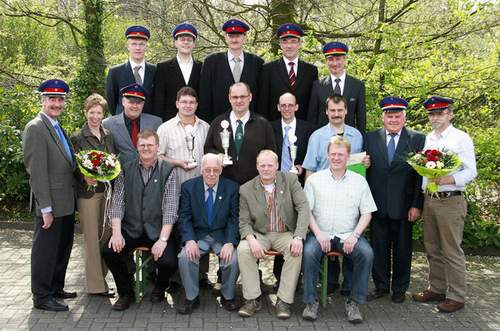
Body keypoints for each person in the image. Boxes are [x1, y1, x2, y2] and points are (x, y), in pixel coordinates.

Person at [102, 129, 179, 311]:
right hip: (131, 228)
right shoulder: (125, 169)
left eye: (150, 145)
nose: (146, 148)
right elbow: (118, 202)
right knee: (109, 252)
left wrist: (162, 240)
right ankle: (125, 292)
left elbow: (170, 209)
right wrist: (117, 232)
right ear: (137, 147)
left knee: (168, 262)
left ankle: (160, 287)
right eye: (142, 145)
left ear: (157, 147)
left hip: (158, 230)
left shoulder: (169, 171)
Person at [412, 96, 477, 313]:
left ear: (450, 114)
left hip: (451, 199)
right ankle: (437, 288)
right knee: (432, 248)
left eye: (440, 113)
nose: (435, 117)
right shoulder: (429, 138)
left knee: (451, 250)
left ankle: (456, 295)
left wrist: (447, 179)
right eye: (431, 114)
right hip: (430, 200)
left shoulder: (461, 138)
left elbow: (470, 171)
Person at [302, 136, 376, 323]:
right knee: (308, 252)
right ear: (327, 155)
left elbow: (367, 213)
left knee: (366, 254)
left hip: (349, 234)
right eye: (333, 154)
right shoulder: (314, 180)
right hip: (320, 233)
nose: (336, 158)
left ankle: (354, 302)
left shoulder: (359, 181)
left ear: (348, 156)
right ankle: (311, 302)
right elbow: (306, 212)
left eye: (340, 154)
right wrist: (318, 234)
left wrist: (355, 236)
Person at [364, 97, 425, 303]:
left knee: (403, 250)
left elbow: (421, 175)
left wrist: (417, 204)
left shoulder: (418, 139)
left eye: (397, 116)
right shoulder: (370, 138)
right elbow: (364, 170)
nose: (393, 119)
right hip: (377, 204)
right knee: (378, 248)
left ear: (404, 118)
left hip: (404, 205)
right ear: (383, 117)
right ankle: (380, 285)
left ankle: (400, 288)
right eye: (389, 116)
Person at [22, 79, 77, 311]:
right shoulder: (36, 128)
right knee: (45, 251)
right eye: (51, 99)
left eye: (60, 99)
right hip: (51, 204)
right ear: (42, 100)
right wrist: (45, 208)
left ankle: (55, 288)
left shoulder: (55, 125)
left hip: (65, 201)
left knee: (62, 248)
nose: (56, 103)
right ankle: (42, 296)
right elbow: (37, 172)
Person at [237, 150, 310, 319]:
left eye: (270, 165)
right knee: (243, 249)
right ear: (257, 167)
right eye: (262, 165)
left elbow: (303, 208)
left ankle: (283, 300)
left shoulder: (290, 180)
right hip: (260, 233)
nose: (266, 169)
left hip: (284, 232)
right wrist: (251, 239)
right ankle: (252, 299)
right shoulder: (246, 189)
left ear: (277, 165)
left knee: (295, 251)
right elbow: (244, 221)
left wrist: (298, 236)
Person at [176, 153, 240, 314]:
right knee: (185, 256)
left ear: (221, 170)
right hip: (198, 235)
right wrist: (189, 240)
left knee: (232, 259)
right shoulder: (188, 187)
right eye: (208, 170)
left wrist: (229, 242)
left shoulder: (231, 188)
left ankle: (228, 296)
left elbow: (234, 218)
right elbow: (184, 217)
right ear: (201, 170)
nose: (212, 174)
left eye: (215, 170)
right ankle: (191, 297)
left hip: (221, 235)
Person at [70, 93, 116, 298]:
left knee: (105, 236)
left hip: (107, 192)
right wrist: (83, 176)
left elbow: (112, 161)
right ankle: (95, 286)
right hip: (88, 194)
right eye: (92, 112)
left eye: (99, 113)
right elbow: (73, 166)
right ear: (85, 112)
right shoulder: (78, 137)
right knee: (91, 239)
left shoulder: (108, 135)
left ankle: (102, 278)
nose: (95, 116)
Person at [204, 82, 277, 185]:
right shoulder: (218, 123)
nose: (239, 100)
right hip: (224, 185)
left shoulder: (263, 124)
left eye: (243, 96)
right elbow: (207, 148)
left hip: (254, 186)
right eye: (235, 97)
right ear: (229, 98)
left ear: (250, 97)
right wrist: (218, 155)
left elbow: (272, 153)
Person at [198, 19, 264, 122]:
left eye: (238, 36)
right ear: (225, 37)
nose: (234, 40)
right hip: (218, 124)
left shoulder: (257, 63)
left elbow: (261, 99)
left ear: (245, 38)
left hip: (251, 124)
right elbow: (204, 98)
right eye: (231, 36)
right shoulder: (211, 62)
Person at [258, 23, 318, 121]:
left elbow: (313, 104)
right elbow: (263, 103)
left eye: (293, 41)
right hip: (275, 128)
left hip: (303, 128)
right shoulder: (268, 69)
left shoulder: (311, 70)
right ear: (280, 44)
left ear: (300, 43)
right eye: (285, 42)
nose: (289, 46)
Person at [307, 42, 366, 134]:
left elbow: (361, 118)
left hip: (349, 139)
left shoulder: (357, 85)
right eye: (330, 59)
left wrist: (362, 143)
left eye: (338, 59)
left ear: (344, 59)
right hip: (324, 140)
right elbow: (312, 117)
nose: (335, 63)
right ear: (326, 61)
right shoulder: (317, 86)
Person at [157, 87, 209, 184]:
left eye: (192, 102)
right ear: (177, 104)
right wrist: (177, 163)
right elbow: (157, 156)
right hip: (176, 186)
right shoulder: (165, 129)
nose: (188, 105)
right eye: (184, 102)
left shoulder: (206, 127)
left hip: (202, 186)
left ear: (196, 105)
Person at [303, 94, 363, 177]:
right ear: (327, 111)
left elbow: (360, 167)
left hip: (350, 188)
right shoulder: (316, 137)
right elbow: (310, 170)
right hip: (323, 188)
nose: (336, 114)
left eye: (340, 110)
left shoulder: (357, 136)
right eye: (332, 110)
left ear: (346, 111)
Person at [103, 83, 162, 165]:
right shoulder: (108, 124)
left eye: (139, 102)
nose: (135, 106)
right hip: (121, 174)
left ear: (143, 104)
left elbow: (160, 150)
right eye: (131, 102)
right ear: (123, 102)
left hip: (150, 172)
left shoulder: (156, 122)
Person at [153, 23, 202, 121]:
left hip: (196, 122)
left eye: (189, 40)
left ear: (194, 44)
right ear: (175, 43)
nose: (186, 42)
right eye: (182, 39)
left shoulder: (202, 67)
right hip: (169, 122)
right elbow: (159, 99)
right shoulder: (163, 67)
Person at [106, 25, 156, 115]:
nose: (138, 48)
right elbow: (112, 102)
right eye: (134, 44)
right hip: (123, 125)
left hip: (149, 123)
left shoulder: (156, 71)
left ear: (146, 47)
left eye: (141, 44)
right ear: (128, 46)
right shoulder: (115, 72)